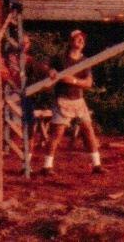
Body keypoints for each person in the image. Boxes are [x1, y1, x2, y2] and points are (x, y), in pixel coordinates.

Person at [40, 29, 104, 176]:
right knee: (57, 133)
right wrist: (49, 70)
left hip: (79, 101)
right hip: (62, 100)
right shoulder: (60, 58)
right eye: (77, 38)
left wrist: (73, 80)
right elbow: (43, 64)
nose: (81, 41)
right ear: (70, 41)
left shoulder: (85, 61)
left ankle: (96, 165)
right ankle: (47, 166)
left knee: (88, 131)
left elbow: (88, 83)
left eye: (82, 39)